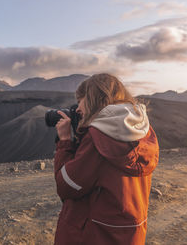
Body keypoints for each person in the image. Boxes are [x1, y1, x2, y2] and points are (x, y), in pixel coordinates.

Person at [53, 73, 159, 245]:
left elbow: (67, 186)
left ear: (93, 98)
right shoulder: (142, 131)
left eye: (81, 100)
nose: (78, 109)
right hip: (128, 234)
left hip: (95, 236)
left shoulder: (99, 138)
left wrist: (64, 141)